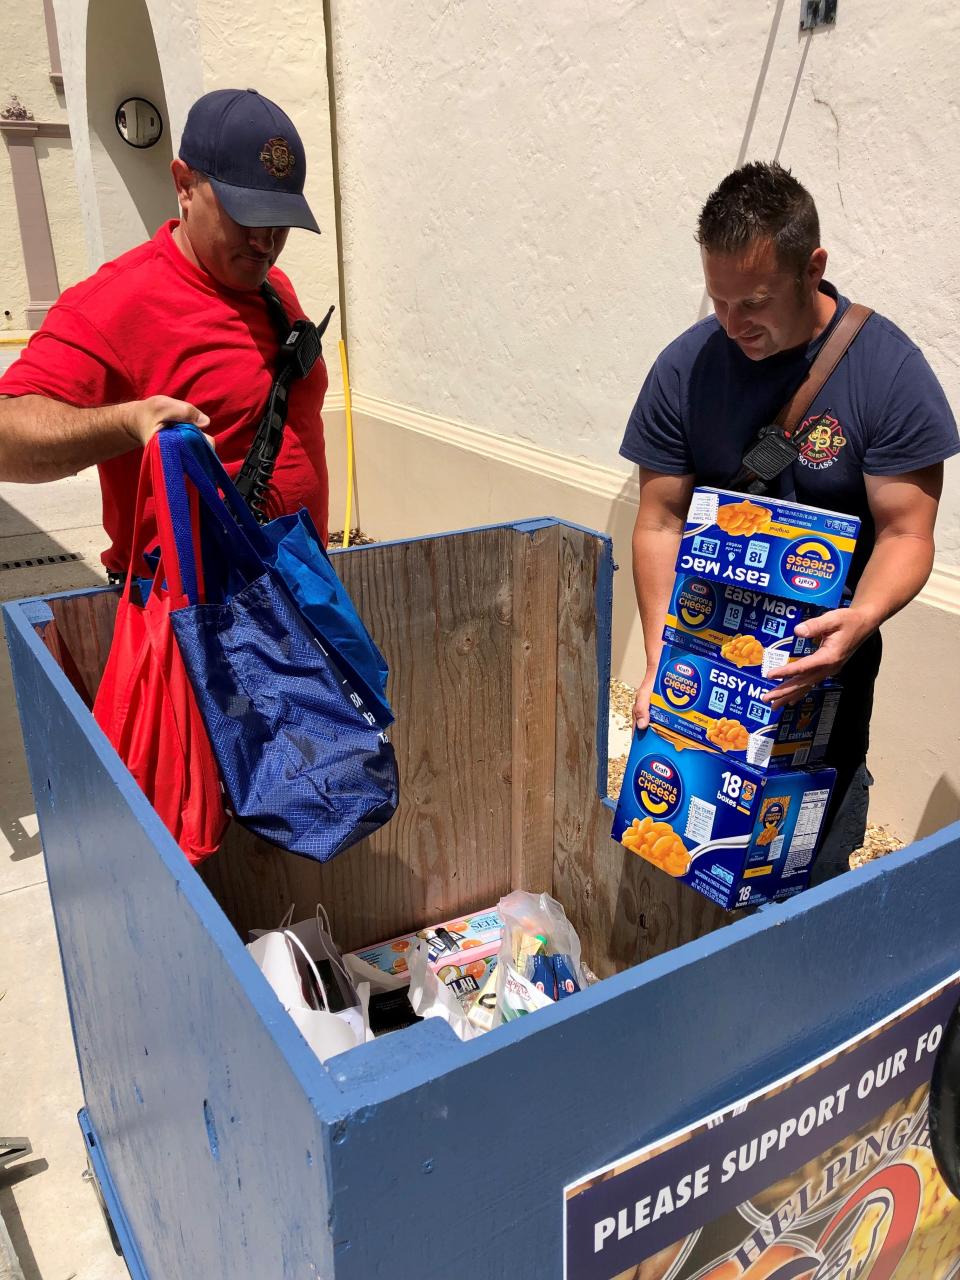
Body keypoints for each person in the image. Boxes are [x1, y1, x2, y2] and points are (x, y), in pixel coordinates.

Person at [621, 161, 959, 882]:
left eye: (756, 302)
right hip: (702, 662)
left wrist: (862, 618)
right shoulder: (685, 369)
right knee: (681, 861)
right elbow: (658, 519)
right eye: (718, 301)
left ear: (814, 267)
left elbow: (906, 533)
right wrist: (661, 653)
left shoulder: (886, 373)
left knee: (809, 857)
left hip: (825, 672)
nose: (734, 324)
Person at [0, 88, 330, 576]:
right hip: (197, 624)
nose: (265, 241)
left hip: (299, 596)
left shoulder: (273, 287)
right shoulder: (113, 303)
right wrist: (127, 422)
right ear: (184, 184)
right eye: (246, 215)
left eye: (280, 219)